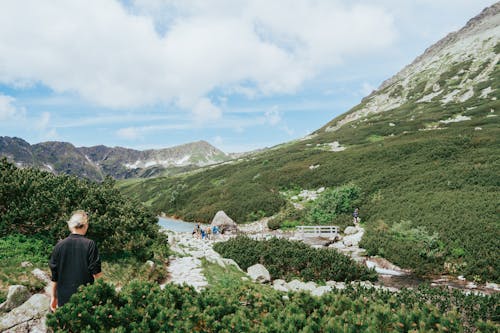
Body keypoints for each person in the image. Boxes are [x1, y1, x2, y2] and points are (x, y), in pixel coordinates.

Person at [49, 210, 102, 311]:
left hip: (64, 299)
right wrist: (103, 294)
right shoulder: (90, 245)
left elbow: (54, 276)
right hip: (85, 298)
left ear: (70, 226)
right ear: (85, 225)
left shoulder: (59, 246)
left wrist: (53, 297)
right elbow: (96, 273)